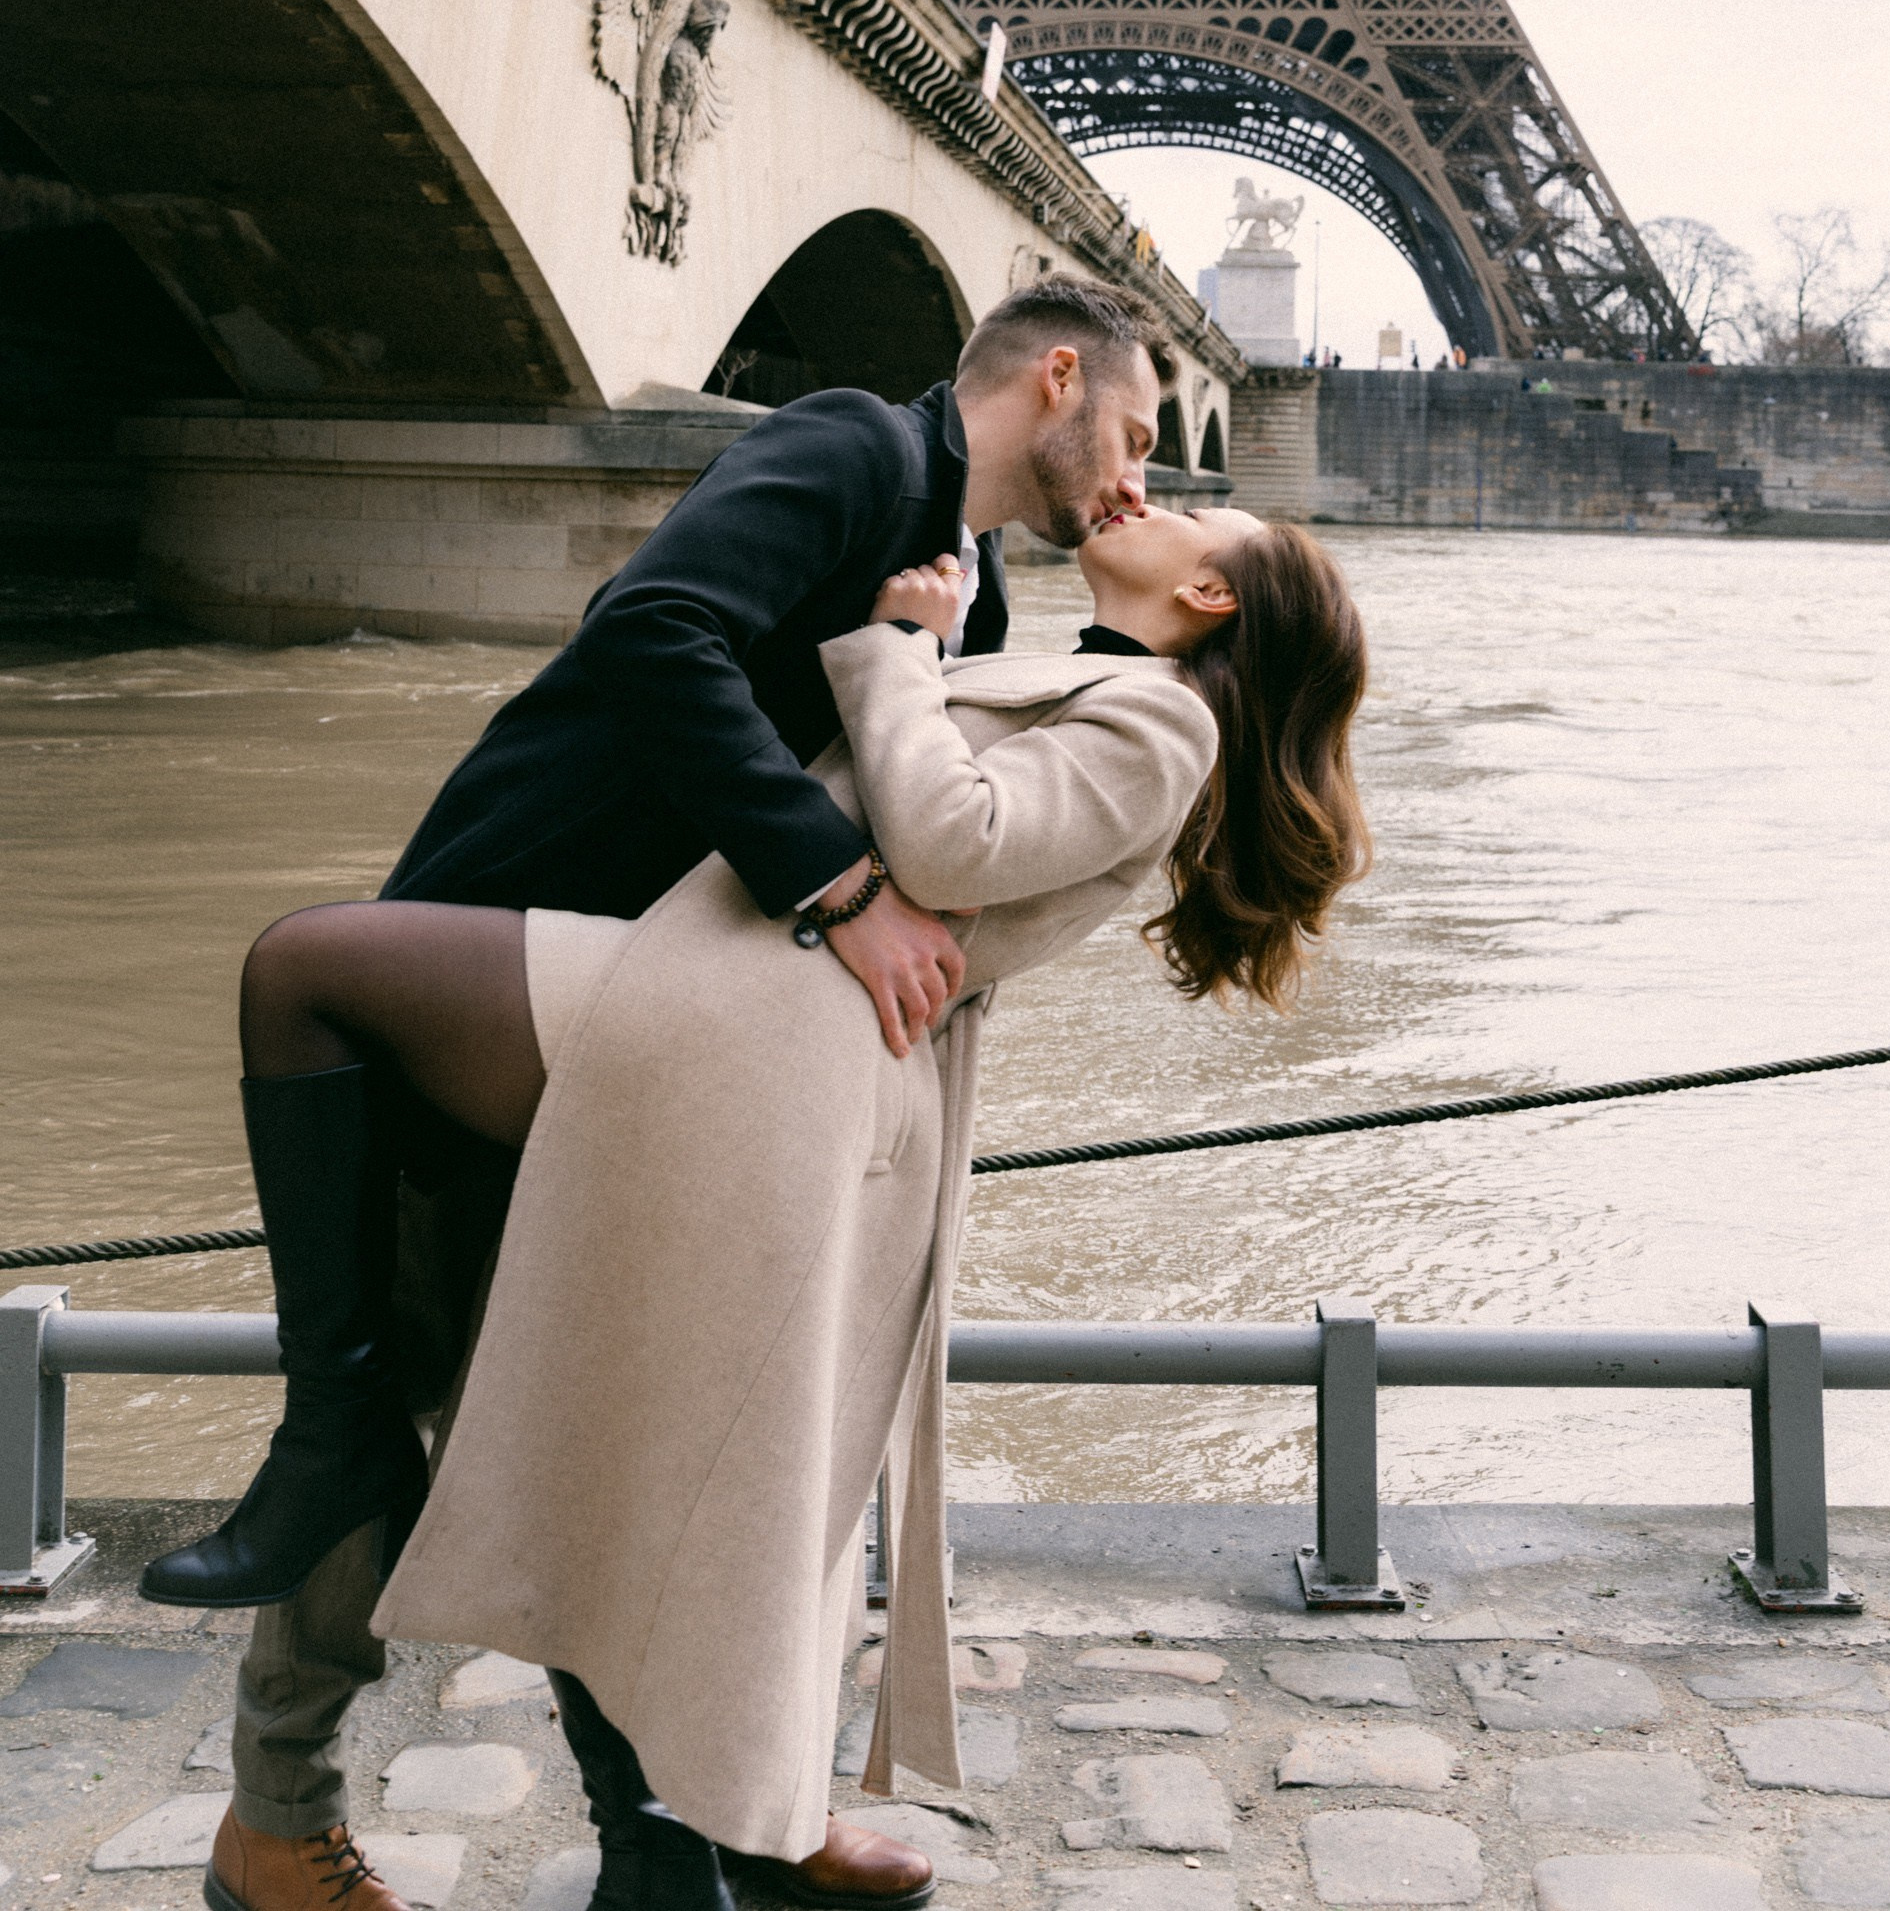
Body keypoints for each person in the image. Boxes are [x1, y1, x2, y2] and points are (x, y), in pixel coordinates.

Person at [161, 499, 1370, 1911]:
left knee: (586, 1427)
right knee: (611, 1446)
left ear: (1216, 590)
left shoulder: (1160, 720)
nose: (1136, 495)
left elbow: (954, 840)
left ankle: (679, 1818)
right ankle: (686, 1829)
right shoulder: (1084, 677)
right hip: (702, 1024)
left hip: (730, 1040)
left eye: (1181, 504)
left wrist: (901, 651)